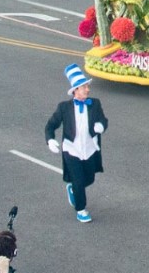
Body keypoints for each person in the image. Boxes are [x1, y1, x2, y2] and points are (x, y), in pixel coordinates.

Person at [45, 64, 109, 223]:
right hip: (71, 150)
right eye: (84, 87)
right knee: (79, 180)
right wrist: (50, 140)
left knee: (89, 179)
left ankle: (73, 188)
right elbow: (50, 126)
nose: (87, 89)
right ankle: (81, 209)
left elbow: (103, 119)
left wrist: (101, 126)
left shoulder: (95, 103)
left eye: (87, 86)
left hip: (89, 149)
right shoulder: (64, 108)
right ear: (75, 90)